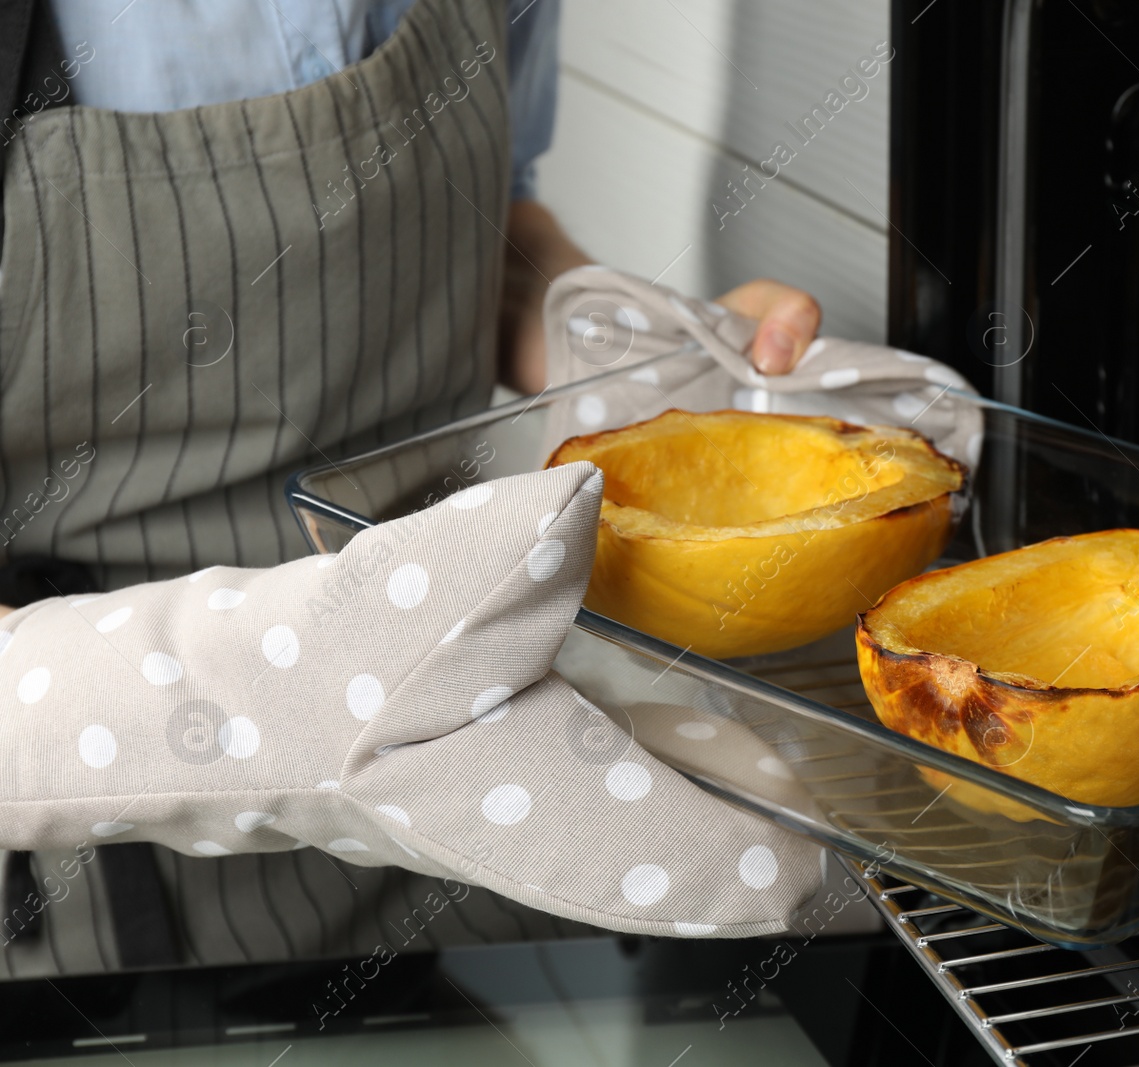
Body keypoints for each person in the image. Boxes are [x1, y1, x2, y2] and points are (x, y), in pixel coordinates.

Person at [0, 0, 821, 974]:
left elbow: (483, 233)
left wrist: (629, 363)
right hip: (105, 909)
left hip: (480, 800)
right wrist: (294, 696)